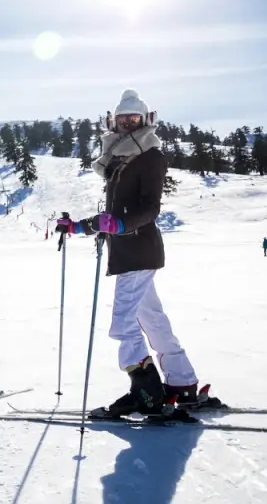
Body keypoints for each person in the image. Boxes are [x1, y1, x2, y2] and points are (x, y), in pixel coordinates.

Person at [56, 89, 208, 416]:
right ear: (114, 121)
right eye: (122, 119)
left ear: (146, 120)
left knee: (123, 323)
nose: (127, 124)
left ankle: (146, 392)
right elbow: (111, 215)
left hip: (139, 251)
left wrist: (121, 225)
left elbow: (149, 209)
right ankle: (182, 383)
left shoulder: (150, 156)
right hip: (128, 253)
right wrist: (79, 227)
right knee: (152, 320)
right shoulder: (118, 159)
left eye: (133, 118)